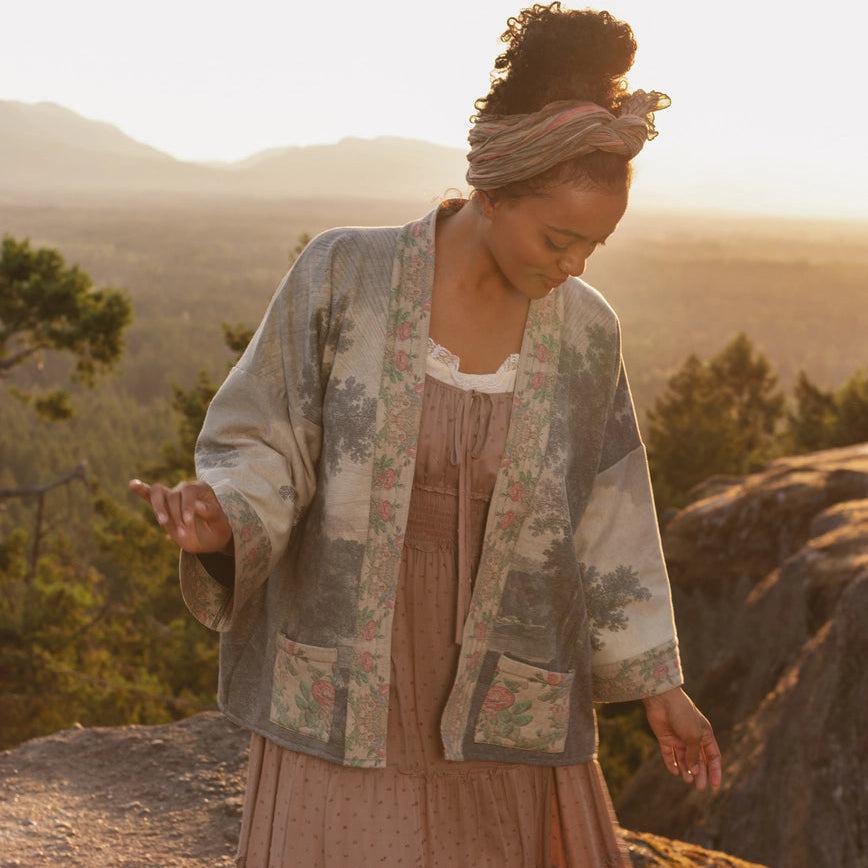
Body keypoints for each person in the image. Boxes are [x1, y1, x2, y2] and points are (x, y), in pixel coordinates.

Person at [131, 4, 722, 865]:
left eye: (595, 246)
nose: (574, 266)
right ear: (491, 189)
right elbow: (268, 440)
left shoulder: (587, 332)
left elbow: (608, 518)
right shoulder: (344, 275)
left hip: (508, 688)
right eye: (559, 238)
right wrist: (224, 517)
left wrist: (658, 683)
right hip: (348, 675)